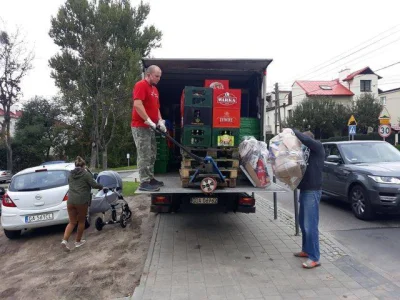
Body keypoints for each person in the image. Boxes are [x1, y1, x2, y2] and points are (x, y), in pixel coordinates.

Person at [292, 130, 325, 269]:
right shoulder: (305, 152)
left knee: (310, 225)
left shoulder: (317, 147)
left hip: (313, 190)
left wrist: (293, 131)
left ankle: (315, 257)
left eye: (303, 141)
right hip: (305, 190)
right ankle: (306, 250)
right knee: (302, 223)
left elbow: (307, 141)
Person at [131, 65, 167, 192]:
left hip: (150, 127)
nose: (158, 79)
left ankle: (150, 178)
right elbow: (137, 104)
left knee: (152, 153)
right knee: (144, 154)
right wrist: (148, 119)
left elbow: (156, 108)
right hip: (140, 126)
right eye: (156, 76)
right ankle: (144, 181)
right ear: (149, 74)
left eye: (159, 76)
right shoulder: (141, 85)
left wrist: (160, 121)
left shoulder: (155, 90)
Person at [61, 156, 103, 251]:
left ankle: (64, 240)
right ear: (84, 165)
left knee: (72, 222)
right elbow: (94, 184)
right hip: (81, 201)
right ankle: (77, 241)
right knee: (81, 221)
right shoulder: (86, 174)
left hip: (70, 201)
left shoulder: (70, 175)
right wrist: (101, 187)